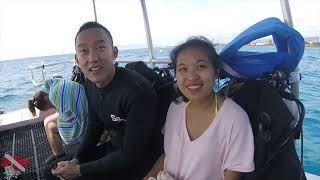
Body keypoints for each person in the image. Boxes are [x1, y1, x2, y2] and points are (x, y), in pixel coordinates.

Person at [51, 21, 161, 180]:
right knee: (53, 173)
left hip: (139, 161)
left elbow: (132, 154)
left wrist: (78, 170)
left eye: (100, 48)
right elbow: (94, 125)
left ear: (114, 52)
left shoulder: (137, 92)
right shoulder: (90, 82)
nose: (93, 58)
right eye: (84, 51)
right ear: (77, 59)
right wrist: (76, 160)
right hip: (114, 151)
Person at [144, 37, 255, 180]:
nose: (191, 76)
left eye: (201, 66)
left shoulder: (235, 119)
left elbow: (233, 174)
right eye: (183, 69)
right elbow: (168, 155)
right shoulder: (175, 108)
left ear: (216, 71)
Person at [28, 79, 88, 164]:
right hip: (84, 105)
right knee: (47, 121)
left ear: (45, 98)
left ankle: (60, 156)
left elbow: (66, 119)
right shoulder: (53, 85)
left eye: (50, 106)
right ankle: (59, 155)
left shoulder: (54, 95)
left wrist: (64, 131)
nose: (52, 107)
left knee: (50, 126)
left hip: (86, 114)